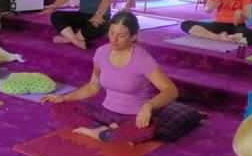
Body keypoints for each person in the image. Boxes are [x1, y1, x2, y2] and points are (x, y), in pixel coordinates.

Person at [41, 11, 179, 144]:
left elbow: (171, 90)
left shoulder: (143, 59)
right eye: (111, 33)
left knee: (145, 130)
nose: (114, 39)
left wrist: (148, 106)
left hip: (134, 116)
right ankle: (107, 132)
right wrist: (64, 97)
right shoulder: (101, 52)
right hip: (105, 113)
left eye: (121, 35)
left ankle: (101, 132)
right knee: (59, 109)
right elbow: (93, 86)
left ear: (133, 37)